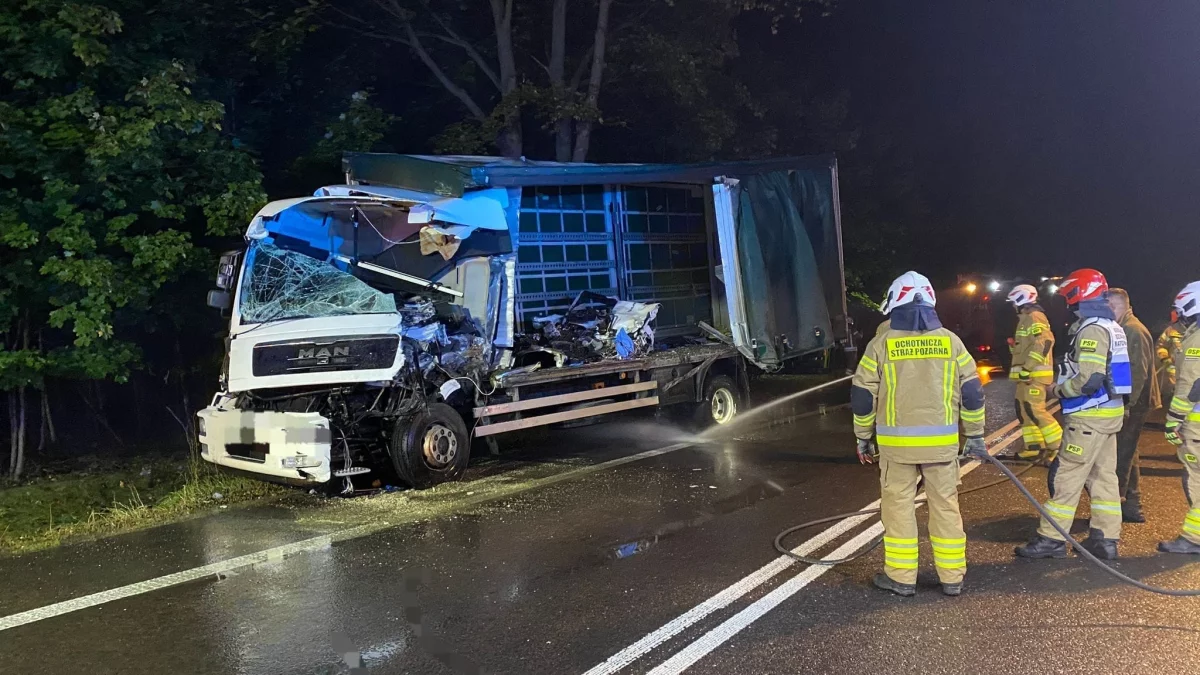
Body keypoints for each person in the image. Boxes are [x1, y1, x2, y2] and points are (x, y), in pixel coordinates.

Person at [852, 271, 986, 597]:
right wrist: (976, 435)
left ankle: (901, 577)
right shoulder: (952, 343)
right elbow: (971, 393)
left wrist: (863, 436)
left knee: (898, 509)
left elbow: (862, 395)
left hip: (897, 449)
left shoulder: (881, 343)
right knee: (946, 508)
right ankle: (952, 577)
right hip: (941, 448)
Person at [1015, 269, 1131, 560]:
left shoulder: (1092, 328)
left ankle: (1051, 539)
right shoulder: (1112, 325)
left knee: (1067, 477)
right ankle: (1104, 539)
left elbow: (1089, 379)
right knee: (1104, 477)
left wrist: (1058, 391)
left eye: (1068, 294)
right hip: (1109, 414)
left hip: (1089, 416)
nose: (1066, 301)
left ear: (1077, 294)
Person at [1108, 288, 1159, 523]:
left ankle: (1111, 511)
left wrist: (1126, 406)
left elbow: (1137, 372)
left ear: (1123, 306)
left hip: (1135, 402)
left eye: (1111, 308)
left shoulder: (1133, 330)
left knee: (1119, 455)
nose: (1108, 313)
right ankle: (1132, 507)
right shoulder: (1125, 327)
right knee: (1129, 453)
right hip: (1135, 400)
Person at [1158, 282, 1200, 554]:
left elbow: (1190, 384)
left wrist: (1173, 419)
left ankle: (1194, 539)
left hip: (1196, 423)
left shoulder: (1196, 338)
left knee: (1196, 476)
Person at [1004, 284, 1061, 462]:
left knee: (1035, 410)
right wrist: (1014, 348)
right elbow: (1028, 346)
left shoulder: (1035, 317)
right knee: (1024, 411)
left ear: (1020, 300)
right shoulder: (1026, 318)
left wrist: (1028, 368)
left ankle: (1059, 448)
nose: (1013, 306)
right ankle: (1034, 447)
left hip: (1033, 375)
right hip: (1026, 376)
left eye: (1014, 302)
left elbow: (1044, 342)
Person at [1157, 310, 1185, 401]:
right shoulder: (1170, 331)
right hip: (1174, 375)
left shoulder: (1196, 332)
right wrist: (1165, 358)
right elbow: (1161, 345)